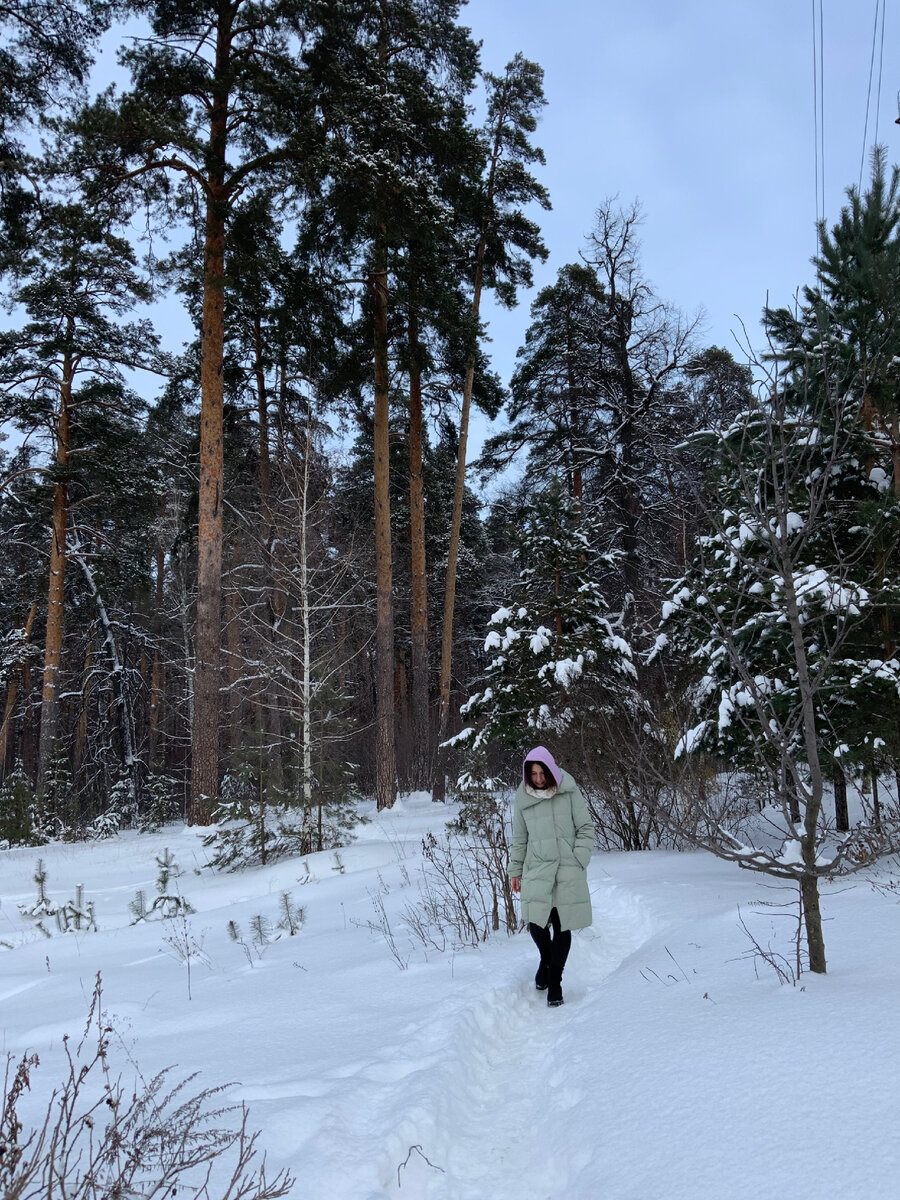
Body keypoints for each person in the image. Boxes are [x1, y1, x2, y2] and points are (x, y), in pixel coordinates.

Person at [508, 746, 593, 1007]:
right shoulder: (523, 798)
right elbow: (520, 838)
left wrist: (578, 857)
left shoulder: (568, 791)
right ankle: (546, 960)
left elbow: (585, 827)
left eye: (542, 772)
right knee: (536, 923)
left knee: (562, 924)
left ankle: (555, 980)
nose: (538, 779)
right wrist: (515, 870)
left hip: (567, 868)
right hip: (538, 868)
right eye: (532, 773)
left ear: (551, 770)